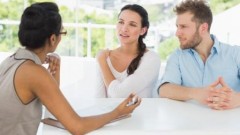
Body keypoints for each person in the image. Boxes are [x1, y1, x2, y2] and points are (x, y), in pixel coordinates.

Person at [0, 2, 141, 135]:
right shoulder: (35, 72)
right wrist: (118, 112)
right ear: (53, 39)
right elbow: (77, 127)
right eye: (62, 33)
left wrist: (55, 69)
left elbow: (50, 104)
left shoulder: (12, 60)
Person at [158, 0, 240, 110]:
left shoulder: (235, 53)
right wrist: (196, 93)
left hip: (230, 125)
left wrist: (236, 99)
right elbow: (164, 90)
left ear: (203, 28)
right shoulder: (177, 56)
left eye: (183, 27)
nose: (177, 33)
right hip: (190, 125)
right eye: (177, 26)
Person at [96, 4, 160, 98]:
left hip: (144, 113)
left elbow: (119, 94)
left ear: (142, 30)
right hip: (110, 113)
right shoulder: (106, 57)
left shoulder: (151, 59)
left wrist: (101, 61)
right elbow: (98, 99)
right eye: (121, 22)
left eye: (132, 24)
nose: (124, 29)